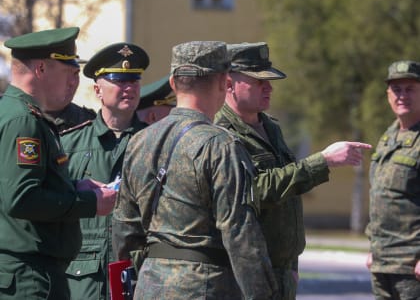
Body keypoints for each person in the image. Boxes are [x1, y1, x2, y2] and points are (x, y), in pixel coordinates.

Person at [112, 41, 279, 299]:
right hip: (205, 286)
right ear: (224, 82)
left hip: (149, 284)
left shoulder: (139, 142)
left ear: (172, 82)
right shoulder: (220, 145)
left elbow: (124, 229)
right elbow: (240, 235)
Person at [214, 42, 372, 300]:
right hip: (246, 274)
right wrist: (322, 161)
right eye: (259, 82)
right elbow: (254, 189)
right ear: (229, 84)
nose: (269, 88)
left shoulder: (270, 127)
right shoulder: (221, 133)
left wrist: (290, 266)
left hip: (281, 270)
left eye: (269, 81)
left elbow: (286, 196)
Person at [0, 27, 116, 300]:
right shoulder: (23, 120)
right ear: (41, 69)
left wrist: (74, 187)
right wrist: (89, 203)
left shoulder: (14, 112)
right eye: (68, 72)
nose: (74, 82)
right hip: (30, 278)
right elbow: (21, 198)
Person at [60, 42, 150, 300]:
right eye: (119, 80)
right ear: (98, 89)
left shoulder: (155, 142)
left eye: (134, 80)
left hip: (141, 274)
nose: (129, 87)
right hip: (82, 280)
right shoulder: (69, 145)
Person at [365, 60, 420, 300]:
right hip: (383, 261)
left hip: (412, 266)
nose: (402, 96)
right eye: (396, 89)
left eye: (409, 89)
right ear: (388, 94)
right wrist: (374, 249)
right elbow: (381, 196)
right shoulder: (388, 138)